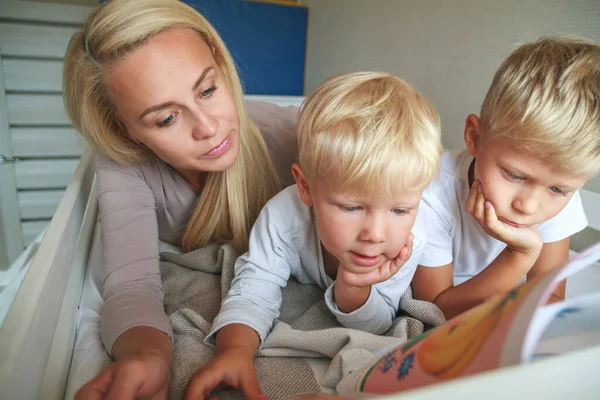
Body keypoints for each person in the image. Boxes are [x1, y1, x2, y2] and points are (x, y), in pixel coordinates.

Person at [62, 0, 298, 398]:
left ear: (222, 67)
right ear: (126, 132)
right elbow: (131, 285)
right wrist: (149, 356)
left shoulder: (289, 132)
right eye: (167, 119)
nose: (208, 128)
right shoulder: (125, 164)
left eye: (207, 90)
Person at [185, 72, 443, 399]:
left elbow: (376, 325)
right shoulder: (283, 216)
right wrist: (234, 350)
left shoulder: (412, 237)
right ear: (305, 187)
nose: (376, 235)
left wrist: (354, 283)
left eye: (400, 210)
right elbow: (255, 287)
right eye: (351, 208)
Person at [412, 36, 600, 319]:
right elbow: (434, 313)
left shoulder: (556, 199)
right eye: (514, 175)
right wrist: (519, 255)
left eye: (559, 189)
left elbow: (548, 299)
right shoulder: (432, 192)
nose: (529, 205)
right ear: (475, 138)